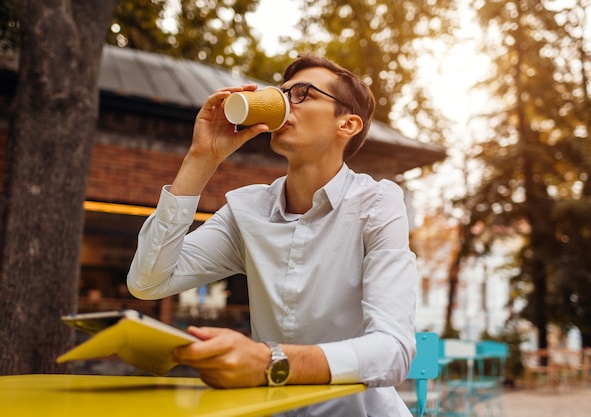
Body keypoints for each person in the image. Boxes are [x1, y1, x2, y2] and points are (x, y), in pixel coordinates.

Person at [127, 54, 417, 416]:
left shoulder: (377, 203)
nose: (281, 104)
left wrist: (269, 361)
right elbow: (148, 282)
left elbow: (393, 351)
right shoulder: (246, 210)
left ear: (347, 124)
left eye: (302, 94)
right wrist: (202, 158)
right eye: (280, 93)